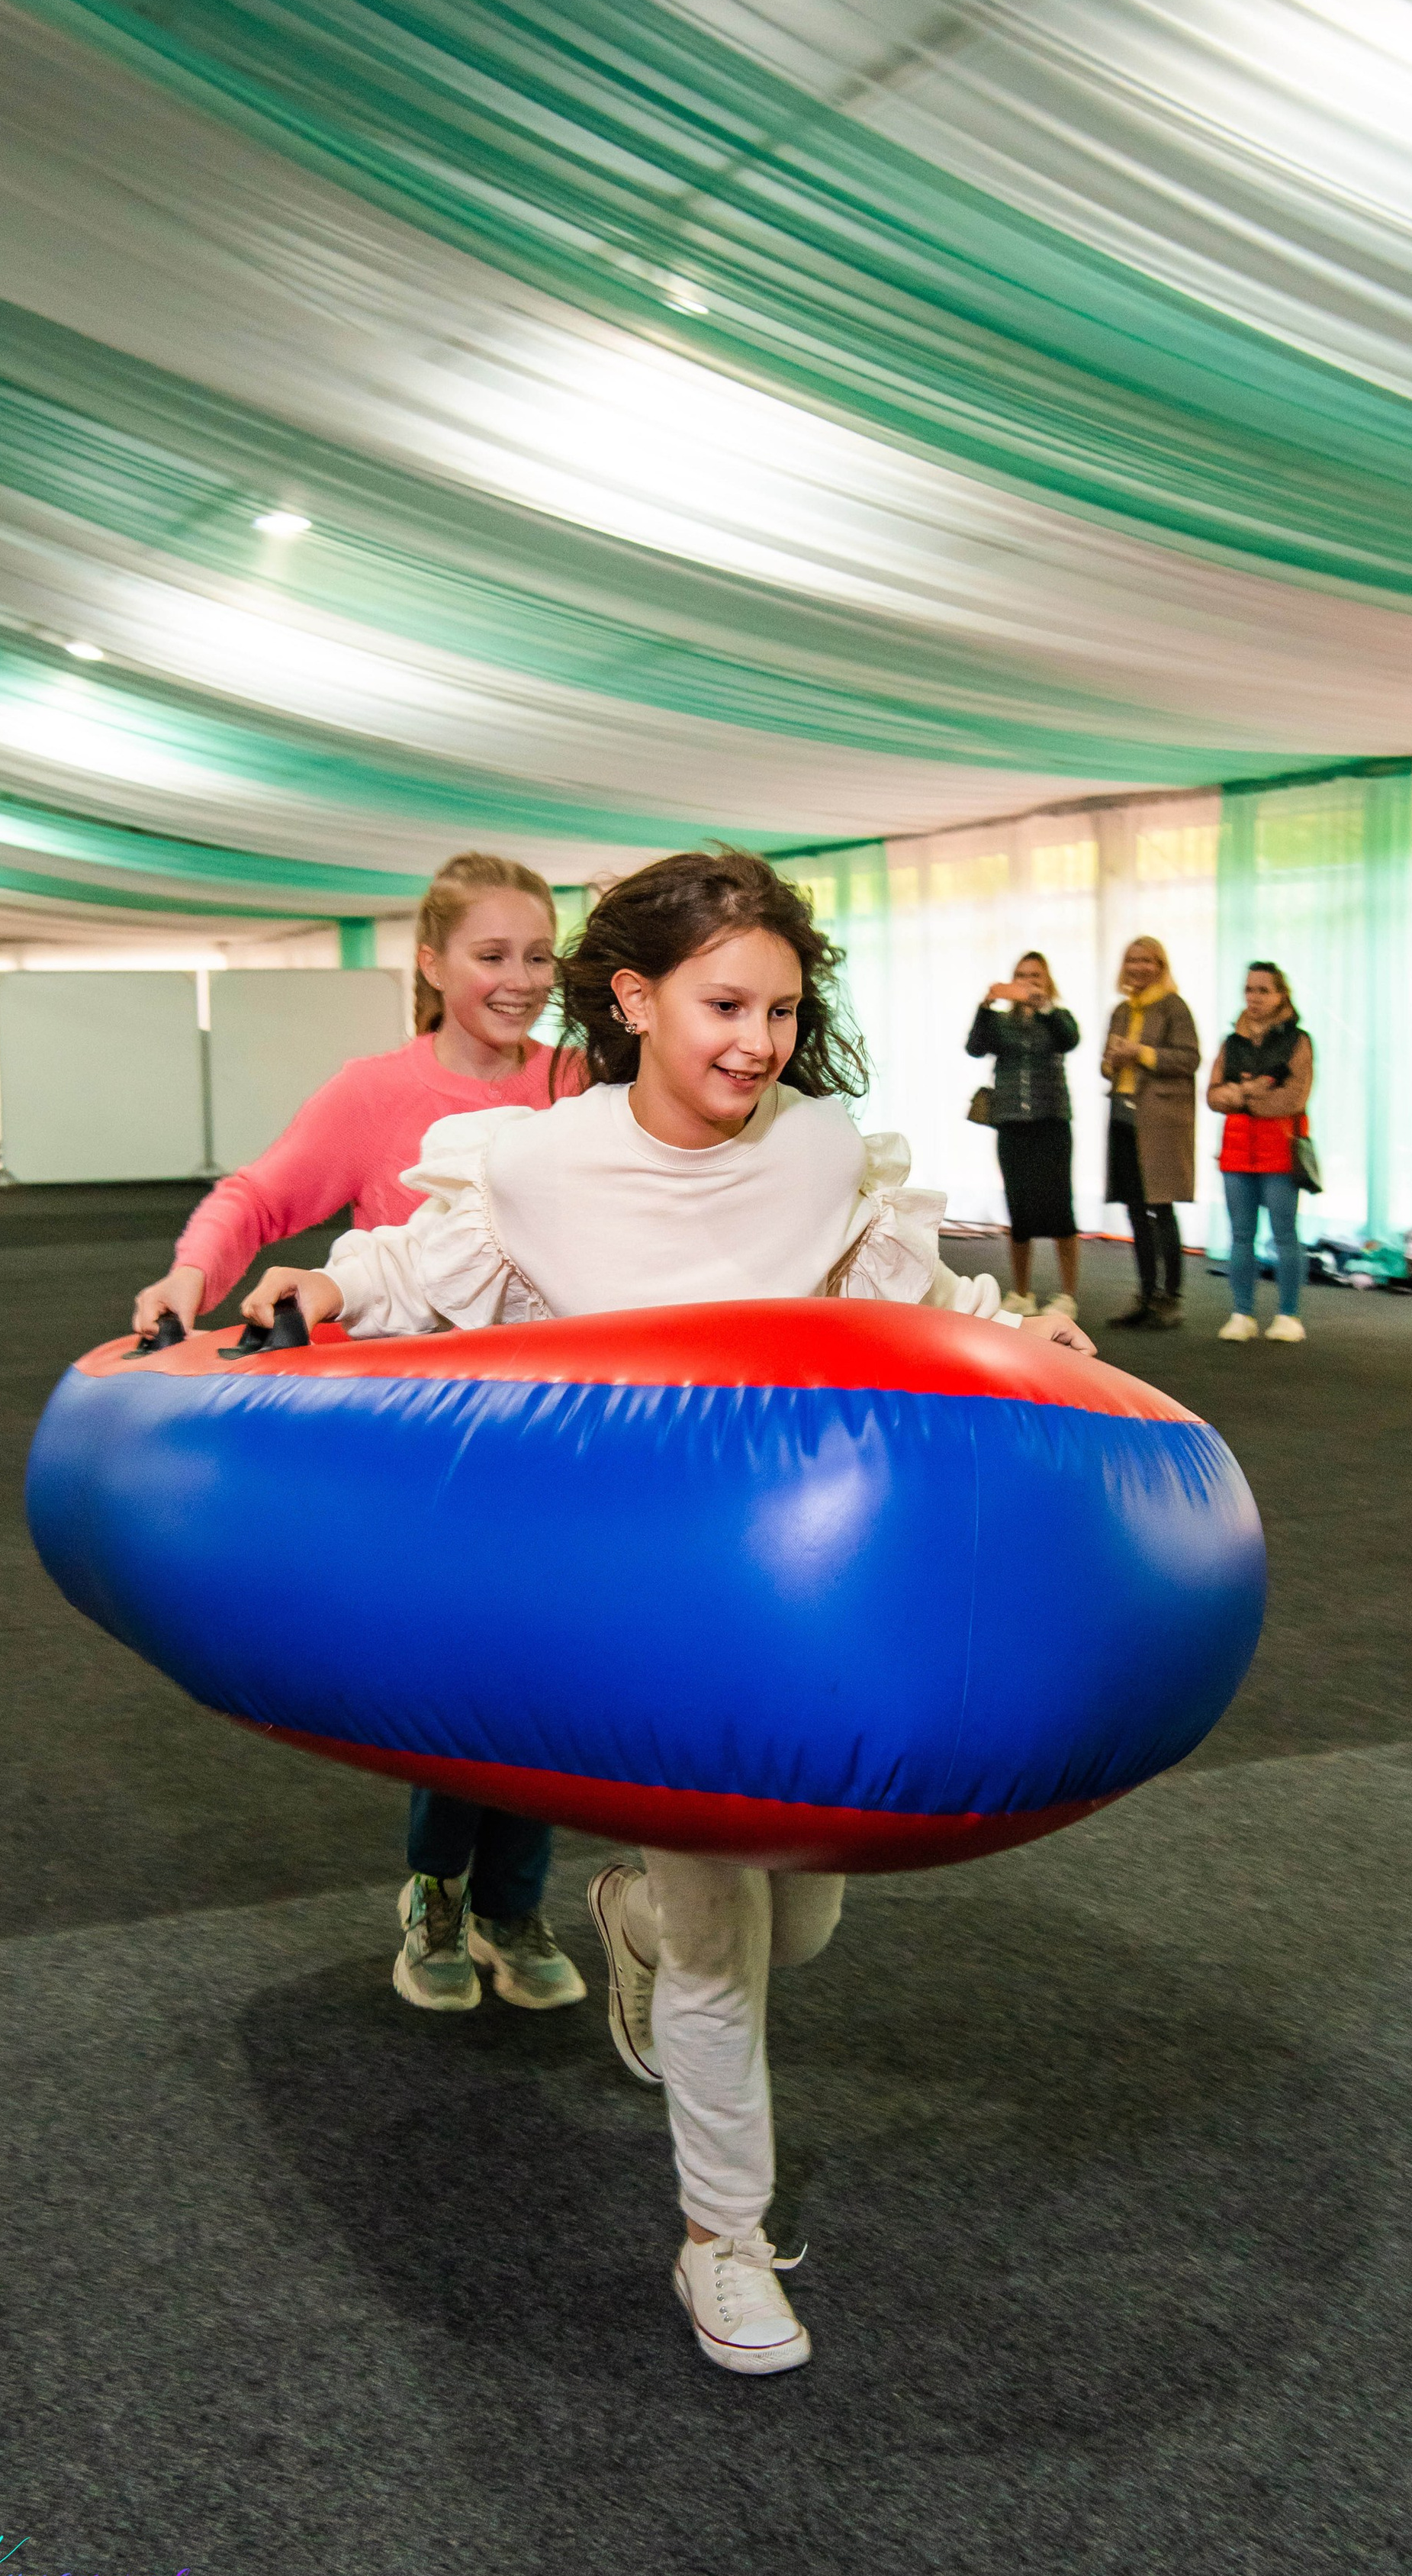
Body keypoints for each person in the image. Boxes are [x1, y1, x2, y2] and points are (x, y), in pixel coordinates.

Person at [238, 848, 1096, 2377]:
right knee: (722, 1933)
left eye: (782, 1010)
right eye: (724, 1006)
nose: (758, 1043)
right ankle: (724, 2238)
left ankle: (625, 1915)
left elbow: (907, 1294)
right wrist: (316, 1291)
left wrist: (1020, 1329)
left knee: (800, 1915)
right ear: (633, 1000)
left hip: (794, 1602)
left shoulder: (817, 1150)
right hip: (641, 1604)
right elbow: (403, 1272)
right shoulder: (537, 1164)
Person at [133, 850, 589, 2019]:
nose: (521, 978)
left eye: (540, 955)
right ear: (430, 962)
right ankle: (439, 1890)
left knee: (545, 1671)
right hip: (422, 1443)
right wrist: (188, 1275)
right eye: (492, 954)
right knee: (467, 1678)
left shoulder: (580, 1082)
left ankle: (512, 1903)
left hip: (557, 1432)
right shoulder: (375, 1092)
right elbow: (259, 1197)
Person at [967, 950, 1081, 1319]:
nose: (1028, 982)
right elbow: (975, 1048)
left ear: (1047, 982)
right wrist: (986, 1006)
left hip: (1052, 1121)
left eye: (1035, 976)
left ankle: (1068, 1295)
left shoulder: (1058, 1017)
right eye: (1021, 975)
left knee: (1060, 1206)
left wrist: (1043, 1006)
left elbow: (1070, 1040)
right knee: (1018, 1208)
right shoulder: (1000, 1022)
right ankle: (1021, 1292)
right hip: (1011, 1122)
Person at [1208, 961, 1314, 1344]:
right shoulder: (1231, 1043)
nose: (1254, 997)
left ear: (1281, 995)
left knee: (1285, 1234)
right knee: (1240, 1235)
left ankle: (1289, 1315)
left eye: (1263, 990)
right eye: (1249, 989)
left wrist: (1242, 1096)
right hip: (1236, 1151)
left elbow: (1294, 1098)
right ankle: (1242, 1313)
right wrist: (1252, 1091)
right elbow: (1213, 1096)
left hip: (1280, 1149)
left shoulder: (1299, 1041)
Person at [1100, 935, 1200, 1331]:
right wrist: (1111, 1062)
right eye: (1132, 960)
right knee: (1135, 1209)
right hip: (1123, 1117)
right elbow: (1107, 1064)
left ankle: (1170, 1298)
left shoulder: (1175, 1007)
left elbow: (1189, 1059)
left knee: (1162, 1207)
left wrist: (1139, 1053)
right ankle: (1145, 1293)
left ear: (1161, 966)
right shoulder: (1122, 1010)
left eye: (1147, 961)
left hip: (1160, 1122)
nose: (1138, 967)